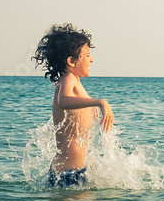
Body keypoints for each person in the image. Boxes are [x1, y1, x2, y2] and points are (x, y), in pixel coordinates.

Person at [32, 24, 114, 187]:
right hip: (68, 173)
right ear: (71, 61)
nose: (92, 59)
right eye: (87, 55)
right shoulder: (68, 78)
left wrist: (91, 109)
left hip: (73, 170)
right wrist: (100, 102)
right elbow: (64, 101)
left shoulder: (75, 82)